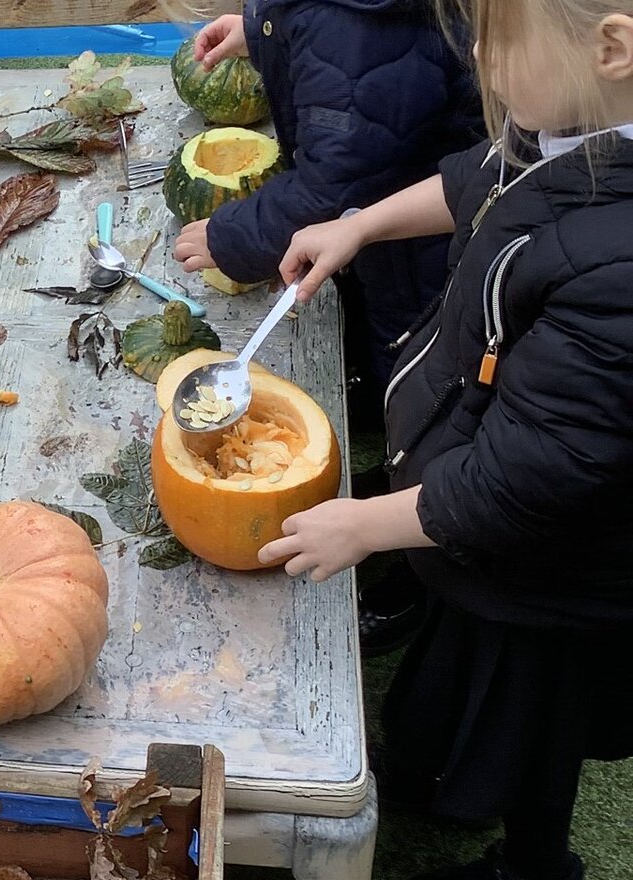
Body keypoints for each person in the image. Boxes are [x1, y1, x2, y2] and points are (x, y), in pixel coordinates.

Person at [261, 1, 633, 877]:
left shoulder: (620, 274)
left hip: (550, 580)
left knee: (532, 737)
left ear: (612, 47)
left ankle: (536, 861)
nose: (476, 54)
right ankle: (433, 769)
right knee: (452, 661)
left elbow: (525, 481)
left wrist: (362, 525)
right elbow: (476, 177)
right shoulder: (574, 128)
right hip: (468, 533)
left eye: (497, 38)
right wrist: (362, 225)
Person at [169, 0, 485, 655]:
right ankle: (377, 413)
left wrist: (234, 236)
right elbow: (334, 61)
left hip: (431, 253)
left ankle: (412, 576)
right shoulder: (343, 16)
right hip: (389, 228)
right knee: (391, 361)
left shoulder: (363, 26)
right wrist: (264, 35)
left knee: (431, 402)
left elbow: (337, 177)